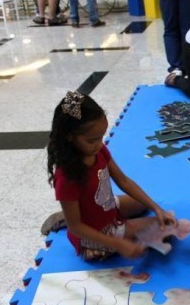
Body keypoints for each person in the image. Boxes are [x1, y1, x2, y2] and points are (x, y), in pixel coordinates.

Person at [47, 91, 177, 261]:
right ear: (70, 137)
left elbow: (123, 181)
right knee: (166, 230)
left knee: (142, 204)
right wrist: (117, 244)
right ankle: (71, 218)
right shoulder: (66, 177)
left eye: (101, 138)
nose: (99, 144)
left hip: (105, 207)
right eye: (92, 140)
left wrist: (156, 208)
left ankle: (71, 213)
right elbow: (77, 227)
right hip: (92, 234)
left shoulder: (98, 150)